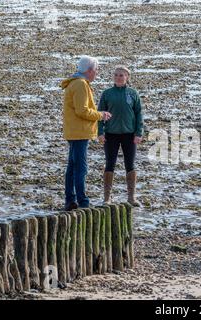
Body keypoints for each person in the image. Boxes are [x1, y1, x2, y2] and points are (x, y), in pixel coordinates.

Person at [61, 55, 112, 211]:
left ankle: (70, 200)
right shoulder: (81, 84)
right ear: (89, 70)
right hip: (80, 132)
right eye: (96, 70)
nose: (96, 73)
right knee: (80, 168)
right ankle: (83, 201)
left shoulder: (74, 83)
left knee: (72, 167)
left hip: (73, 131)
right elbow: (82, 111)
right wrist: (101, 115)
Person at [98, 65, 144, 207]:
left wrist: (138, 133)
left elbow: (139, 114)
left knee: (130, 164)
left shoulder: (133, 93)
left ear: (127, 77)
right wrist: (100, 132)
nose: (118, 77)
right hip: (111, 134)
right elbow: (100, 113)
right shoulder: (107, 93)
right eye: (116, 75)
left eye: (121, 75)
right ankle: (107, 197)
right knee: (110, 164)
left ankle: (131, 197)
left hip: (129, 135)